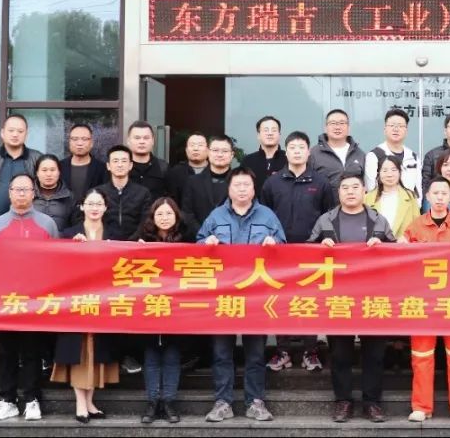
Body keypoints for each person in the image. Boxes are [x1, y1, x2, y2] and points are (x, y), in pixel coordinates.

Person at [198, 167, 285, 423]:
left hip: (257, 296)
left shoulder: (268, 216)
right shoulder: (216, 216)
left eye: (247, 184)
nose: (242, 189)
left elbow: (285, 248)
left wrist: (275, 245)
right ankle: (222, 402)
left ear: (254, 189)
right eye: (237, 185)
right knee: (221, 353)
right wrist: (206, 244)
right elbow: (197, 246)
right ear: (229, 189)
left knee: (256, 354)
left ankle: (255, 402)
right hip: (223, 296)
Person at [309, 173, 396, 423]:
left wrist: (383, 246)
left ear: (364, 191)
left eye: (355, 187)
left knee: (374, 354)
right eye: (345, 187)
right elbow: (305, 253)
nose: (350, 191)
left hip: (373, 297)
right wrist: (319, 247)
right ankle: (343, 401)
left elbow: (398, 254)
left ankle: (372, 402)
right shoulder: (325, 220)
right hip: (338, 298)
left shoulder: (378, 220)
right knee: (340, 354)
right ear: (338, 193)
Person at [0, 173, 59, 422]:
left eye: (26, 189)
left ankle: (32, 399)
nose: (22, 194)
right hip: (6, 301)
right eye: (17, 189)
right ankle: (7, 400)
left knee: (32, 352)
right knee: (7, 352)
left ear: (34, 193)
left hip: (36, 301)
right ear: (10, 193)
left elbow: (58, 260)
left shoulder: (47, 224)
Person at [402, 177, 450, 423]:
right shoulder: (415, 226)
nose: (440, 197)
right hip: (423, 302)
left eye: (445, 192)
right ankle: (421, 407)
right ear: (428, 196)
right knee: (421, 356)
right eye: (436, 192)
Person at [261, 132, 336, 374]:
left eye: (301, 147)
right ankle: (282, 350)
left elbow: (329, 215)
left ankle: (310, 350)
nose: (296, 151)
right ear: (286, 151)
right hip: (279, 253)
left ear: (308, 151)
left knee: (309, 301)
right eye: (292, 147)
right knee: (280, 301)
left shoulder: (320, 182)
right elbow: (264, 215)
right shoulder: (273, 183)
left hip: (311, 252)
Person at [51, 189, 120, 424]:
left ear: (105, 208)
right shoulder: (69, 234)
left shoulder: (115, 235)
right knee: (79, 350)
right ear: (82, 207)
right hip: (76, 301)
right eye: (90, 203)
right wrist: (72, 247)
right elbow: (57, 267)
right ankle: (80, 403)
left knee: (98, 351)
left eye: (99, 203)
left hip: (105, 301)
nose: (94, 208)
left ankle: (90, 401)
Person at [134, 198, 193, 424]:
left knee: (171, 356)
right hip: (149, 306)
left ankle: (168, 401)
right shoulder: (141, 237)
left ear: (176, 216)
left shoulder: (187, 238)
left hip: (177, 307)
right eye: (160, 214)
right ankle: (152, 402)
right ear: (153, 217)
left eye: (169, 214)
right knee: (151, 357)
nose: (164, 218)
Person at [98, 145, 153, 241]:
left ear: (130, 165)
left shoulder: (143, 193)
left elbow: (145, 221)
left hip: (135, 244)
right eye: (115, 161)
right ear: (108, 166)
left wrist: (131, 242)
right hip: (106, 244)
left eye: (124, 161)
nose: (120, 165)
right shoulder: (98, 193)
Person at [363, 108, 421, 196]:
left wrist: (416, 204)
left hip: (409, 203)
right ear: (385, 129)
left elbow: (418, 189)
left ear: (406, 131)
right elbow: (371, 189)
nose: (396, 129)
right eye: (392, 125)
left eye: (400, 126)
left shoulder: (413, 157)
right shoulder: (374, 156)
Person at [181, 135, 235, 229]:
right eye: (215, 150)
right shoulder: (193, 182)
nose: (220, 154)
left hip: (232, 236)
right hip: (199, 235)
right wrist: (203, 234)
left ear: (232, 155)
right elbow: (187, 214)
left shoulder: (240, 182)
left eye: (225, 151)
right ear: (208, 152)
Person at [364, 155, 421, 239]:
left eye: (394, 170)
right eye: (385, 170)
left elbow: (418, 226)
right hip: (376, 246)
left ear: (400, 172)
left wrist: (407, 238)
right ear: (378, 173)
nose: (389, 174)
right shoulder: (367, 198)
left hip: (403, 245)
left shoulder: (410, 197)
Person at [309, 109, 365, 187]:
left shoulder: (359, 153)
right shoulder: (313, 153)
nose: (337, 127)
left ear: (348, 127)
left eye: (342, 123)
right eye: (333, 123)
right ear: (325, 128)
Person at [60, 123, 108, 204]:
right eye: (75, 139)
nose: (79, 143)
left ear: (91, 143)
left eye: (84, 139)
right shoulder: (59, 167)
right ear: (69, 142)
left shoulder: (102, 169)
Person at [240, 116, 287, 194]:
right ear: (258, 135)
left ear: (279, 135)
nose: (270, 133)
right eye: (266, 130)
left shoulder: (288, 159)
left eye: (274, 130)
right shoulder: (248, 161)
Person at [127, 121, 169, 200]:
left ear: (153, 141)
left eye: (146, 138)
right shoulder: (121, 166)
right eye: (137, 138)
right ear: (128, 141)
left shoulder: (163, 167)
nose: (142, 142)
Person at [33, 154, 75, 231]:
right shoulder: (28, 194)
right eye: (44, 170)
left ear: (59, 172)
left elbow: (75, 224)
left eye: (52, 170)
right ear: (37, 173)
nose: (49, 174)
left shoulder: (69, 196)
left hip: (60, 238)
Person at [165, 132, 208, 205]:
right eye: (192, 145)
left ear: (208, 150)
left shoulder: (214, 171)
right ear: (186, 150)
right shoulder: (176, 172)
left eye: (200, 145)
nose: (196, 149)